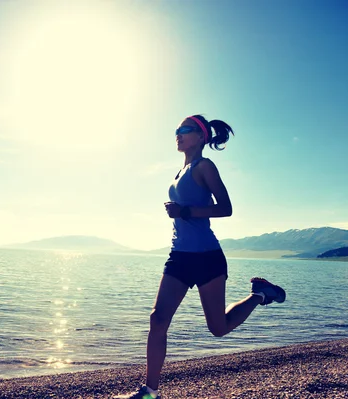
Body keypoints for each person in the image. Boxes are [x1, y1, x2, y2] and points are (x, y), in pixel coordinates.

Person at [113, 115, 286, 399]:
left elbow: (226, 208)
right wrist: (181, 213)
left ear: (202, 136)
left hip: (207, 257)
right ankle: (150, 392)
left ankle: (260, 295)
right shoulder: (178, 173)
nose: (178, 134)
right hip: (179, 256)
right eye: (177, 130)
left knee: (218, 328)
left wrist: (186, 212)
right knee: (157, 320)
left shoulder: (205, 166)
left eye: (185, 130)